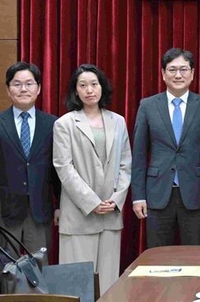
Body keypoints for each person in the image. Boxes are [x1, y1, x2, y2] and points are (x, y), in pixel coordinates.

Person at [53, 64, 131, 296]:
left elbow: (126, 164)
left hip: (110, 213)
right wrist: (91, 202)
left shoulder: (118, 121)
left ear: (102, 87)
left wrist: (115, 200)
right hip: (79, 215)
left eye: (94, 84)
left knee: (108, 286)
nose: (89, 90)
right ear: (75, 91)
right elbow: (64, 168)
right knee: (77, 288)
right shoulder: (64, 124)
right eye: (83, 85)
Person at [131, 48, 200, 247]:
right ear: (163, 74)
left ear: (192, 73)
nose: (178, 75)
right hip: (157, 194)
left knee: (196, 257)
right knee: (158, 258)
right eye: (172, 70)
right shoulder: (147, 106)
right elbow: (138, 155)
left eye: (183, 69)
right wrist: (138, 196)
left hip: (195, 194)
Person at [0, 62, 60, 261]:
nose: (23, 89)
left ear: (38, 88)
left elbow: (58, 170)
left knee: (40, 271)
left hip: (40, 211)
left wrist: (60, 206)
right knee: (6, 269)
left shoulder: (52, 124)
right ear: (8, 89)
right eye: (17, 84)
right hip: (4, 213)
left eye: (29, 83)